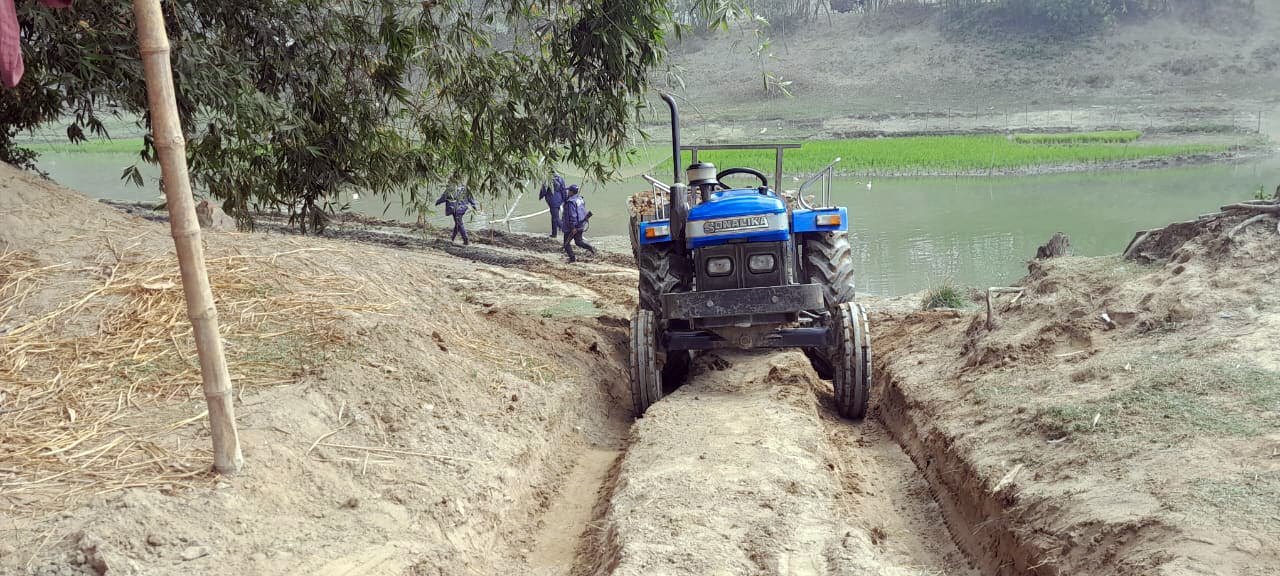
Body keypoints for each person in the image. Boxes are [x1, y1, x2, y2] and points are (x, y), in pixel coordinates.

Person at [562, 184, 596, 263]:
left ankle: (572, 259)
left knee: (566, 244)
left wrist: (573, 227)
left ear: (571, 192)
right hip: (581, 224)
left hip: (571, 226)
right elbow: (582, 211)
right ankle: (590, 248)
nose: (567, 192)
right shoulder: (580, 199)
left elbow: (572, 215)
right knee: (578, 242)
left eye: (569, 191)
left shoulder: (571, 202)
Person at [538, 174, 567, 238]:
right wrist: (565, 199)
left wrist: (540, 196)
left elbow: (543, 190)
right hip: (559, 200)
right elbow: (563, 190)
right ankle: (554, 233)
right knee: (554, 217)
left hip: (552, 201)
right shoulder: (560, 179)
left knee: (555, 218)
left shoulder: (547, 179)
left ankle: (566, 229)